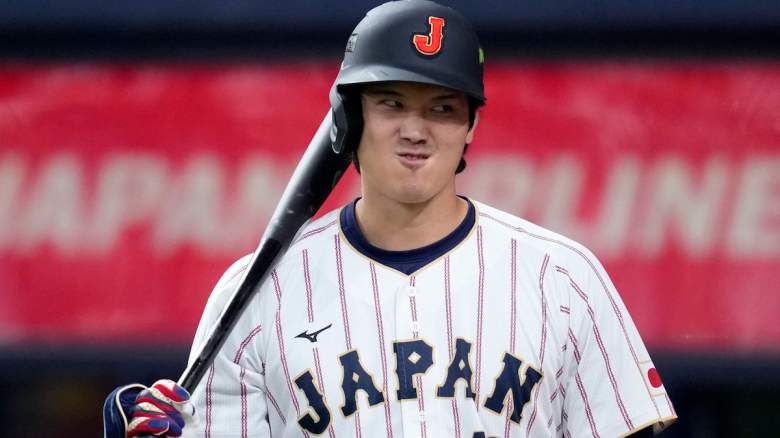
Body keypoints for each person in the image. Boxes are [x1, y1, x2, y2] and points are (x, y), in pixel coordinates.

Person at [103, 1, 677, 436]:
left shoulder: (562, 278)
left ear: (471, 127)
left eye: (442, 108)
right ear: (348, 119)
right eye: (392, 102)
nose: (415, 130)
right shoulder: (258, 291)